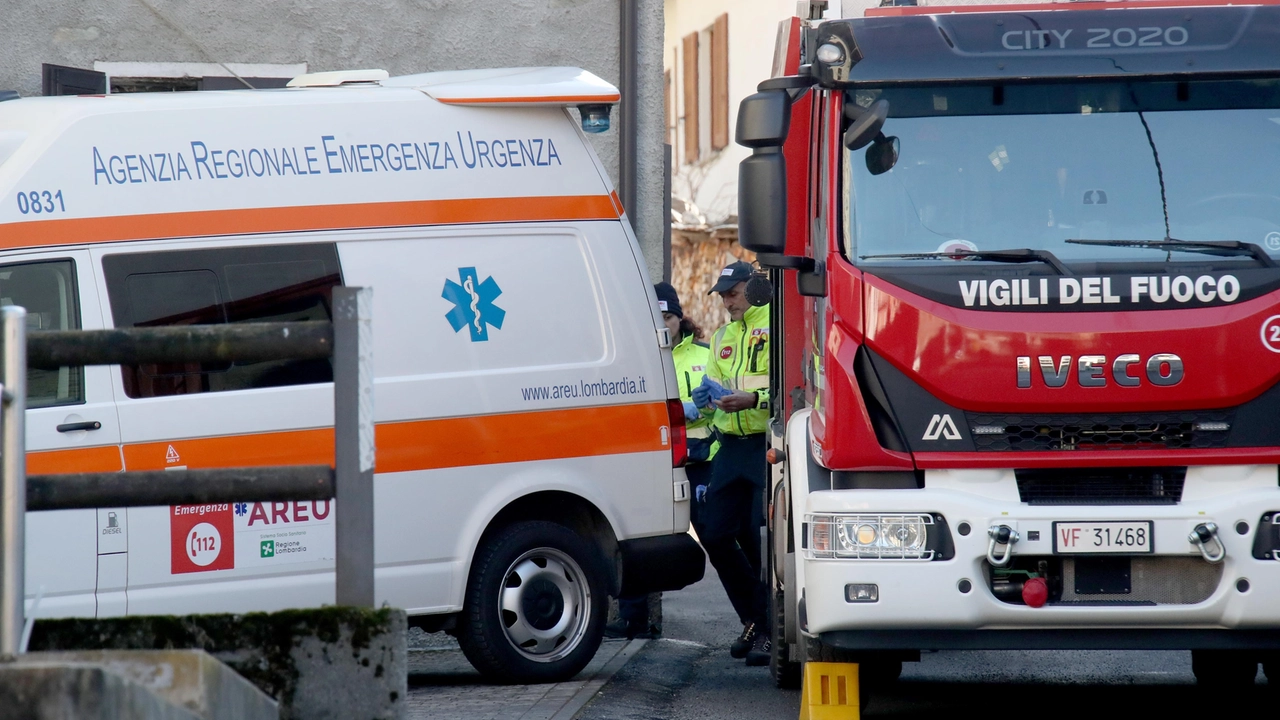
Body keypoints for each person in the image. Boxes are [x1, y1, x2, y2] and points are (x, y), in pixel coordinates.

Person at [605, 282, 716, 640]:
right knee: (636, 535)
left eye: (667, 316)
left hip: (703, 461)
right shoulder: (635, 359)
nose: (661, 323)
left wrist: (692, 411)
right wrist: (684, 410)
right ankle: (633, 620)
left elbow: (719, 402)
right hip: (654, 460)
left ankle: (753, 622)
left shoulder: (705, 353)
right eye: (655, 317)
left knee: (718, 538)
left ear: (680, 318)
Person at [692, 260, 772, 667]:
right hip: (730, 446)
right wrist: (703, 402)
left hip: (767, 445)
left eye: (733, 292)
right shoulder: (722, 335)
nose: (726, 301)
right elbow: (715, 390)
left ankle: (768, 627)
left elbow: (796, 383)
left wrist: (754, 400)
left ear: (754, 287)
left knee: (766, 544)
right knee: (715, 534)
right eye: (722, 294)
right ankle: (755, 620)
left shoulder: (778, 323)